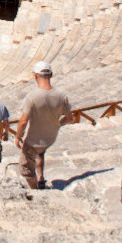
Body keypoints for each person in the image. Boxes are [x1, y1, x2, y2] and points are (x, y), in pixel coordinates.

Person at [15, 61, 74, 189]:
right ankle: (41, 177)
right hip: (50, 137)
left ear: (35, 76)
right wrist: (57, 124)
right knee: (40, 153)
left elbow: (23, 121)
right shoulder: (61, 95)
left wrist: (18, 136)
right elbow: (69, 118)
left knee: (25, 168)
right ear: (51, 74)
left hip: (33, 140)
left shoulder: (32, 97)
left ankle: (35, 188)